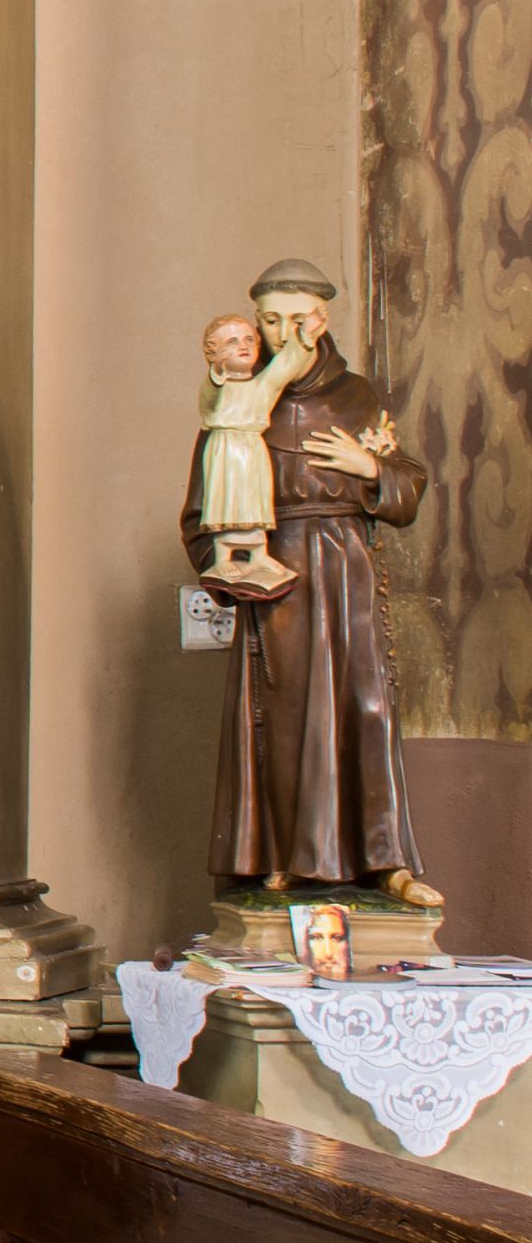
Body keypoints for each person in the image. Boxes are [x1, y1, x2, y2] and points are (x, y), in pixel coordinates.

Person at [180, 259, 444, 907]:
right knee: (284, 715)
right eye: (269, 321)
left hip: (348, 569)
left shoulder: (356, 396)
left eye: (296, 318)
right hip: (279, 577)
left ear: (320, 319)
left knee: (366, 708)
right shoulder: (241, 400)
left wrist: (369, 467)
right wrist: (227, 570)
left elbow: (407, 488)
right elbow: (200, 509)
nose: (281, 333)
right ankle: (283, 858)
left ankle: (386, 863)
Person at [193, 306, 316, 595]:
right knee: (227, 502)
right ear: (212, 352)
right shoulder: (216, 386)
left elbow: (284, 366)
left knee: (255, 502)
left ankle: (259, 554)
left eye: (249, 339)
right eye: (232, 342)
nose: (243, 346)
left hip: (253, 450)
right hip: (226, 450)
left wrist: (305, 335)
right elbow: (209, 398)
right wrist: (217, 373)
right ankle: (223, 557)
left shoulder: (262, 386)